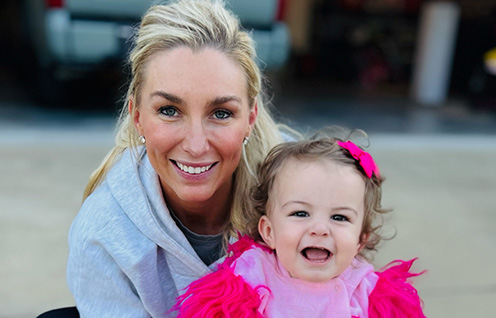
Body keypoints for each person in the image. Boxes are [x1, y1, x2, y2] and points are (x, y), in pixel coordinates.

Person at [66, 0, 297, 317]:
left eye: (220, 113)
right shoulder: (104, 233)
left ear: (251, 117)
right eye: (169, 111)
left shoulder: (302, 189)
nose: (196, 145)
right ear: (137, 116)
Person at [173, 136, 426, 318]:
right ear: (269, 232)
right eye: (300, 213)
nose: (319, 229)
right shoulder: (253, 276)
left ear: (360, 240)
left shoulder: (365, 290)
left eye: (339, 218)